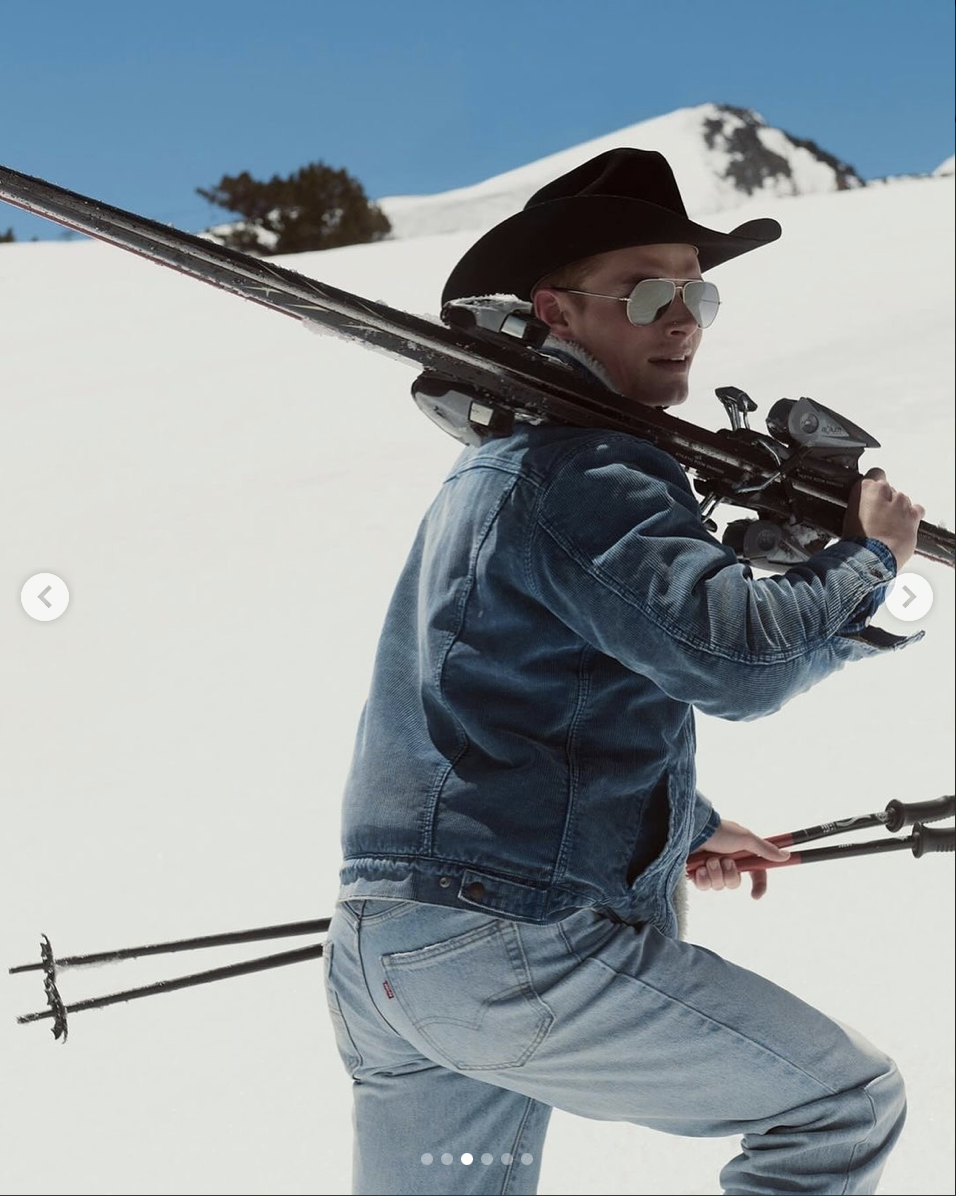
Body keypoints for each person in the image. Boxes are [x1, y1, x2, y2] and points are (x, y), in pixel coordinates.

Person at [323, 148, 924, 1195]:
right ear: (555, 312)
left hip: (391, 956)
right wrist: (868, 559)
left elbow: (508, 698)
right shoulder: (592, 468)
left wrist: (681, 827)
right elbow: (737, 661)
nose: (681, 318)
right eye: (647, 293)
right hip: (507, 949)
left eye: (697, 293)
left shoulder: (493, 469)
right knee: (838, 1107)